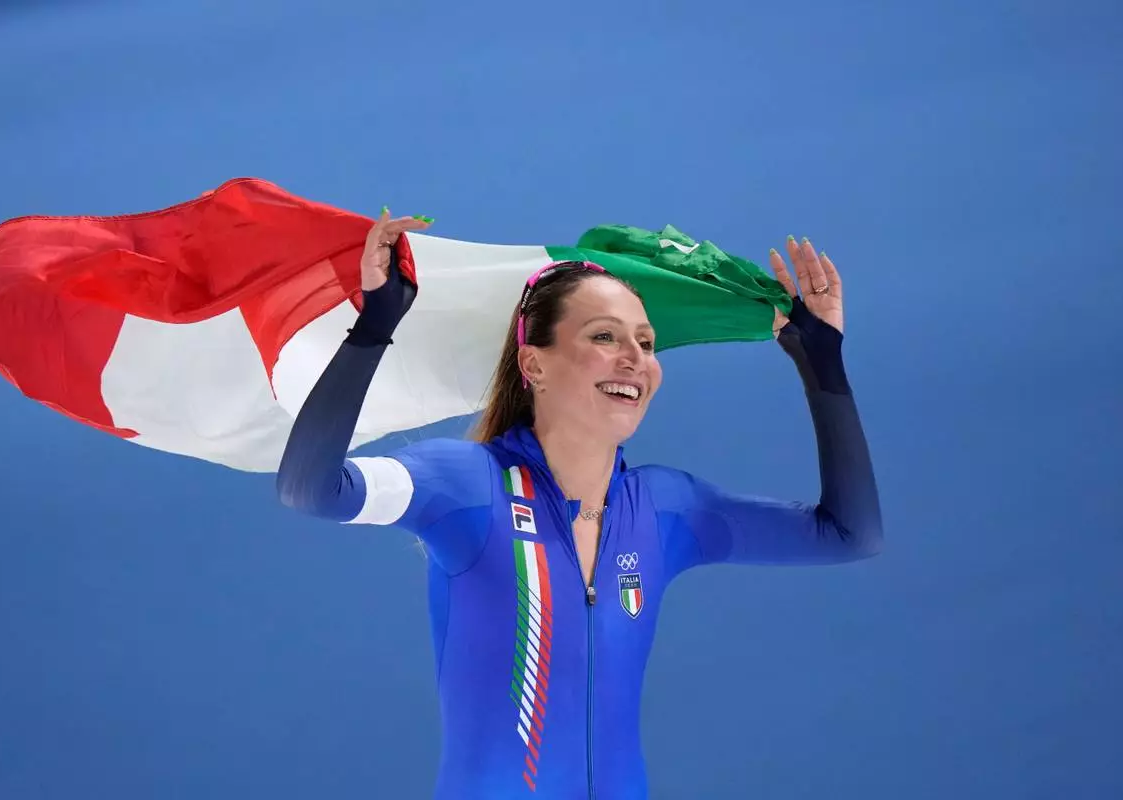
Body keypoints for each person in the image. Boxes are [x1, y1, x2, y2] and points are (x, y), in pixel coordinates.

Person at [276, 208, 883, 799]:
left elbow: (850, 534)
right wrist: (375, 326)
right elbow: (312, 487)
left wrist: (821, 364)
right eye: (604, 336)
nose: (635, 359)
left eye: (646, 343)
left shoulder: (665, 510)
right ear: (534, 363)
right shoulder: (466, 485)